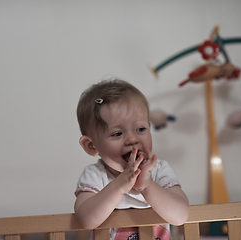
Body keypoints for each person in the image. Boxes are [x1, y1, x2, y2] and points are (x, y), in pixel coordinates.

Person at [74, 78, 189, 240]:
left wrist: (147, 186)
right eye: (117, 134)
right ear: (91, 146)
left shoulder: (160, 170)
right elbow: (86, 220)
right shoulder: (95, 175)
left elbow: (181, 216)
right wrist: (119, 186)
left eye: (140, 129)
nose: (132, 139)